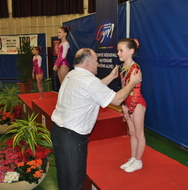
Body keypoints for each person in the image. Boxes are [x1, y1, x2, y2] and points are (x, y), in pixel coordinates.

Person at [51, 48, 142, 190]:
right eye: (96, 61)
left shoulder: (73, 74)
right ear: (88, 63)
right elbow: (117, 100)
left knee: (64, 175)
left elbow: (94, 89)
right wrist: (132, 82)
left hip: (58, 132)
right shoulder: (88, 81)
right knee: (75, 180)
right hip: (72, 138)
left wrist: (111, 77)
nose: (98, 64)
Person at [117, 38, 146, 173]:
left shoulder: (135, 68)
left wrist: (131, 109)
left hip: (137, 103)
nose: (118, 53)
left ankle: (138, 161)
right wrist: (123, 105)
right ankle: (133, 158)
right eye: (118, 50)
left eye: (121, 51)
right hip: (128, 104)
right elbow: (123, 87)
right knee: (132, 133)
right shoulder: (123, 67)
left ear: (131, 51)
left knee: (139, 134)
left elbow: (137, 91)